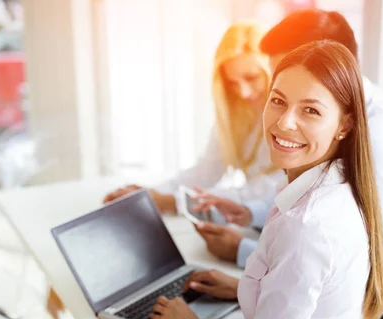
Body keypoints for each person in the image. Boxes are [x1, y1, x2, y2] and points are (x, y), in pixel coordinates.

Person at [192, 9, 383, 319]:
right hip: (341, 292)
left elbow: (348, 254)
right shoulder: (338, 113)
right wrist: (250, 223)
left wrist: (242, 254)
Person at [151, 40, 383, 319]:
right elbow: (312, 296)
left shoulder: (306, 227)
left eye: (310, 110)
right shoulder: (337, 187)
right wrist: (245, 288)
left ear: (344, 124)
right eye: (278, 101)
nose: (284, 122)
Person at [102, 21, 285, 213]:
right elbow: (205, 171)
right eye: (232, 83)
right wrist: (148, 195)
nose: (244, 92)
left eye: (251, 78)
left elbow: (267, 191)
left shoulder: (287, 120)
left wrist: (174, 202)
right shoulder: (235, 118)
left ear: (271, 71)